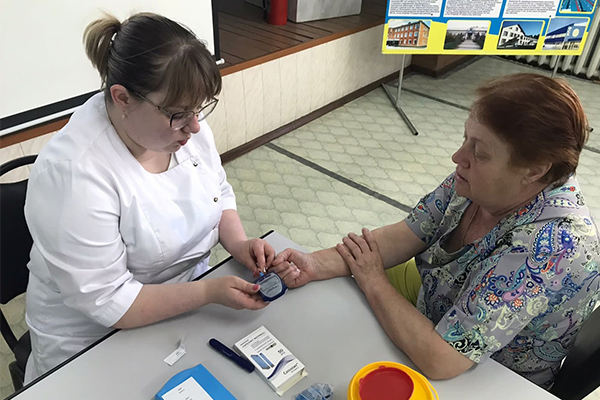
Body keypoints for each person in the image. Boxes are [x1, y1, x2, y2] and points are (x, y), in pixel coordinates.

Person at [271, 73, 600, 389]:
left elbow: (442, 359)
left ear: (535, 170)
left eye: (480, 152)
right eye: (466, 139)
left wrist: (373, 279)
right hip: (438, 309)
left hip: (491, 376)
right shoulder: (479, 182)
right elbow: (405, 235)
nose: (458, 157)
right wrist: (313, 264)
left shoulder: (553, 247)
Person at [23, 12, 274, 382]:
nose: (195, 126)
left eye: (199, 109)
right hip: (93, 339)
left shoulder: (181, 130)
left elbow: (217, 192)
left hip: (184, 305)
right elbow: (111, 302)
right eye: (179, 114)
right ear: (122, 98)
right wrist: (208, 292)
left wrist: (239, 243)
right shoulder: (74, 175)